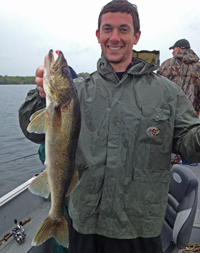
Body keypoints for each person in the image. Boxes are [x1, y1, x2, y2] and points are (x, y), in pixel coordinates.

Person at [18, 1, 200, 253]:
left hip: (140, 228)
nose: (115, 37)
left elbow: (192, 146)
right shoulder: (77, 92)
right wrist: (40, 96)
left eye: (124, 30)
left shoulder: (168, 93)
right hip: (86, 224)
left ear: (136, 36)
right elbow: (31, 131)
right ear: (98, 35)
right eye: (107, 29)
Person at [157, 39, 200, 117]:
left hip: (168, 113)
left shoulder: (167, 64)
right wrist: (197, 110)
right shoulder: (198, 66)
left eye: (173, 49)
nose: (172, 52)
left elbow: (157, 86)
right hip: (190, 114)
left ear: (178, 49)